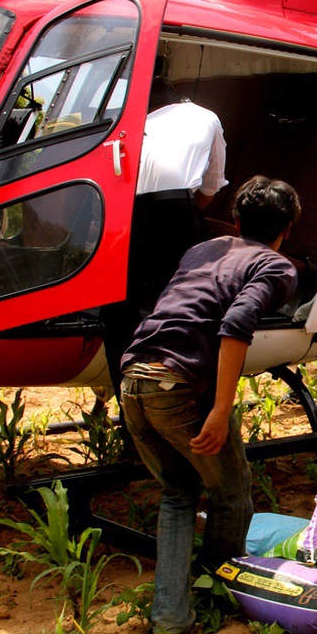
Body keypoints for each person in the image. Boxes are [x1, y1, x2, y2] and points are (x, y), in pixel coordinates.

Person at [120, 176, 300, 634]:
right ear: (289, 227)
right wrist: (221, 409)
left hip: (134, 378)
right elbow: (236, 322)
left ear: (236, 220)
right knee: (232, 491)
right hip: (178, 388)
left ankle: (169, 618)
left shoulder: (206, 249)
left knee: (178, 494)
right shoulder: (276, 266)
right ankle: (218, 591)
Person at [101, 71, 229, 401]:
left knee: (118, 315)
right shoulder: (205, 117)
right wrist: (187, 212)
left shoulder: (120, 122)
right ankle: (193, 401)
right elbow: (210, 187)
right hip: (178, 215)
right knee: (190, 310)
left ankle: (132, 411)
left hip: (125, 220)